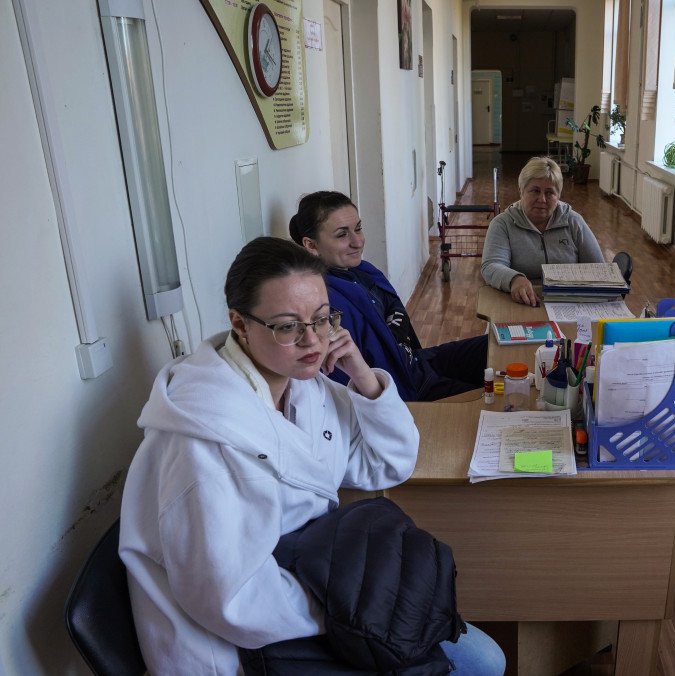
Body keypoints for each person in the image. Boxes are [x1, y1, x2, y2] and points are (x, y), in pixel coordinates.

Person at [118, 237, 505, 674]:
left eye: (322, 320)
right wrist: (352, 606)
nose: (312, 341)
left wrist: (363, 375)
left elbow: (389, 462)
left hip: (314, 586)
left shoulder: (304, 388)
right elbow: (231, 601)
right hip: (248, 642)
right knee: (479, 664)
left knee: (486, 659)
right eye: (288, 326)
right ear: (240, 324)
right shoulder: (200, 441)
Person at [290, 191, 487, 402]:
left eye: (358, 228)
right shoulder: (324, 304)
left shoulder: (363, 272)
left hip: (414, 363)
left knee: (491, 348)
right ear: (311, 245)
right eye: (342, 234)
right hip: (405, 389)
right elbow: (348, 388)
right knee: (497, 398)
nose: (358, 242)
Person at [481, 156, 605, 306]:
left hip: (568, 302)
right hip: (519, 301)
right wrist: (514, 279)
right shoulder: (503, 224)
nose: (542, 199)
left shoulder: (573, 221)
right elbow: (491, 266)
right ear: (521, 191)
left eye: (549, 193)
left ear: (558, 195)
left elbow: (598, 268)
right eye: (535, 191)